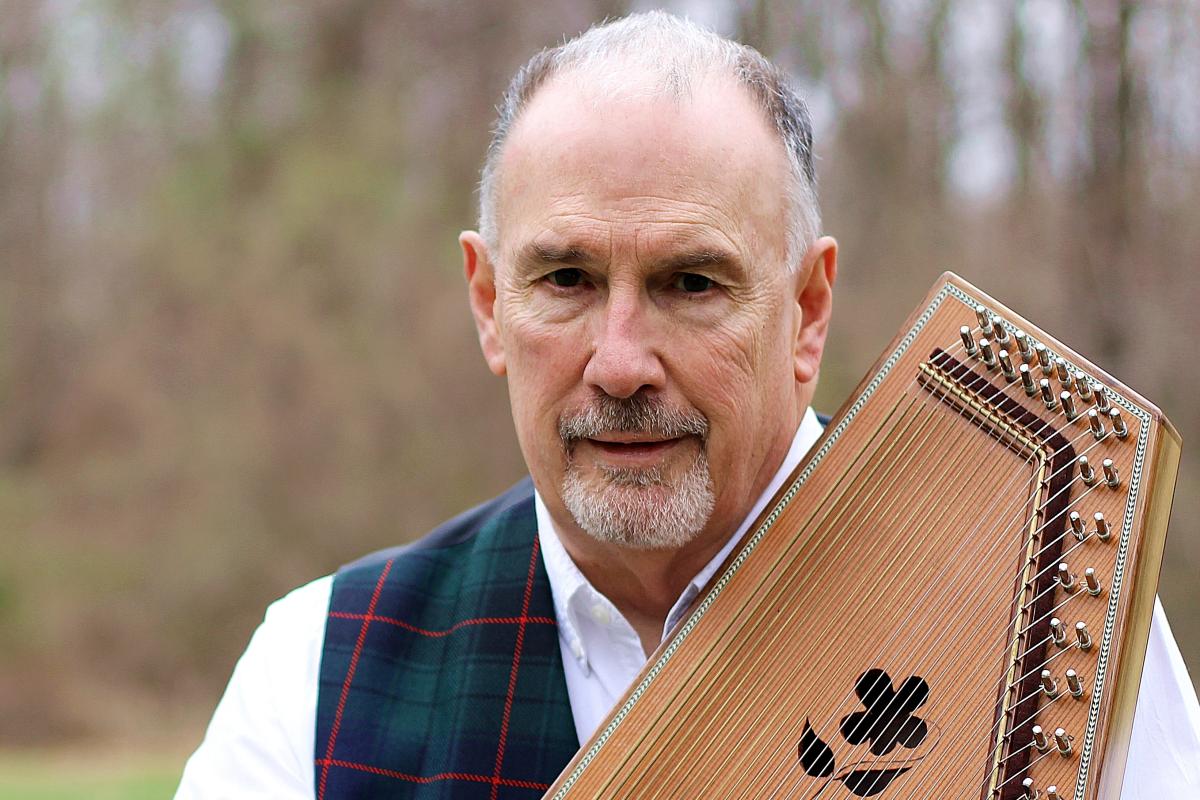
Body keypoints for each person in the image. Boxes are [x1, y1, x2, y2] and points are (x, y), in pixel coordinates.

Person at [176, 12, 1200, 799]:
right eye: (566, 279)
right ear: (489, 303)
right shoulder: (317, 669)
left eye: (693, 284)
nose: (620, 365)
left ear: (806, 309)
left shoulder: (1047, 596)